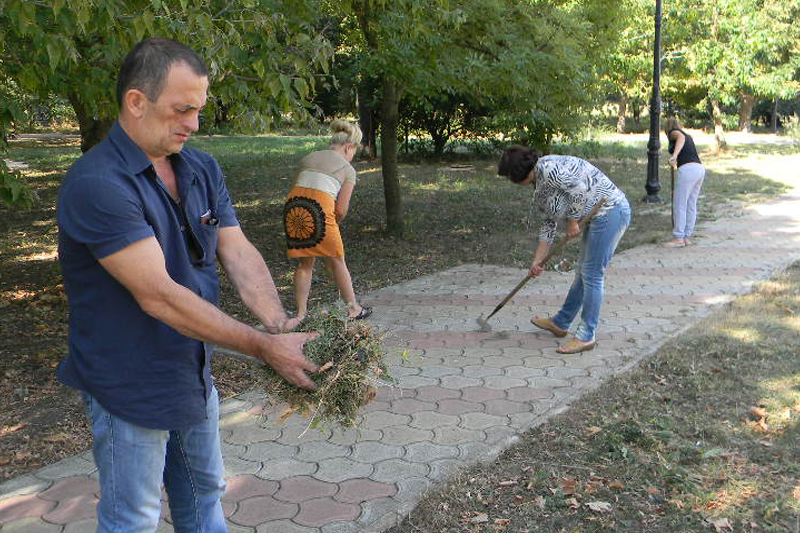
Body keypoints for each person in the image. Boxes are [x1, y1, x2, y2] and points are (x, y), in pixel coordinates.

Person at [56, 38, 318, 533]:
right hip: (127, 382)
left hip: (190, 371)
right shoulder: (97, 183)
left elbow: (237, 252)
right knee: (134, 517)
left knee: (204, 499)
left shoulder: (200, 168)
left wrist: (283, 326)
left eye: (198, 109)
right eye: (182, 110)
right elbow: (157, 294)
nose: (194, 124)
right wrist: (265, 348)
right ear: (137, 102)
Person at [498, 146, 631, 354]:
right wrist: (537, 260)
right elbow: (549, 223)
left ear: (520, 172)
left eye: (510, 177)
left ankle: (587, 336)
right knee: (583, 272)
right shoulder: (539, 183)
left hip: (610, 210)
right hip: (597, 216)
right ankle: (561, 322)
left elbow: (578, 190)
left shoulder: (550, 170)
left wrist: (573, 222)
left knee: (592, 274)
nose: (510, 181)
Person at [283, 119, 372, 321]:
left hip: (295, 212)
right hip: (319, 212)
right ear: (349, 147)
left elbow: (298, 186)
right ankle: (353, 309)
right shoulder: (348, 170)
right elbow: (340, 209)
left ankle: (300, 314)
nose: (352, 158)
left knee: (305, 264)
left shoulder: (308, 158)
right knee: (337, 260)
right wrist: (334, 222)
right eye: (353, 154)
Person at [662, 117, 706, 247]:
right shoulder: (688, 135)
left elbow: (680, 139)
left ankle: (679, 237)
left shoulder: (674, 132)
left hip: (687, 169)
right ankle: (687, 235)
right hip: (699, 168)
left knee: (680, 203)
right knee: (691, 203)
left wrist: (674, 155)